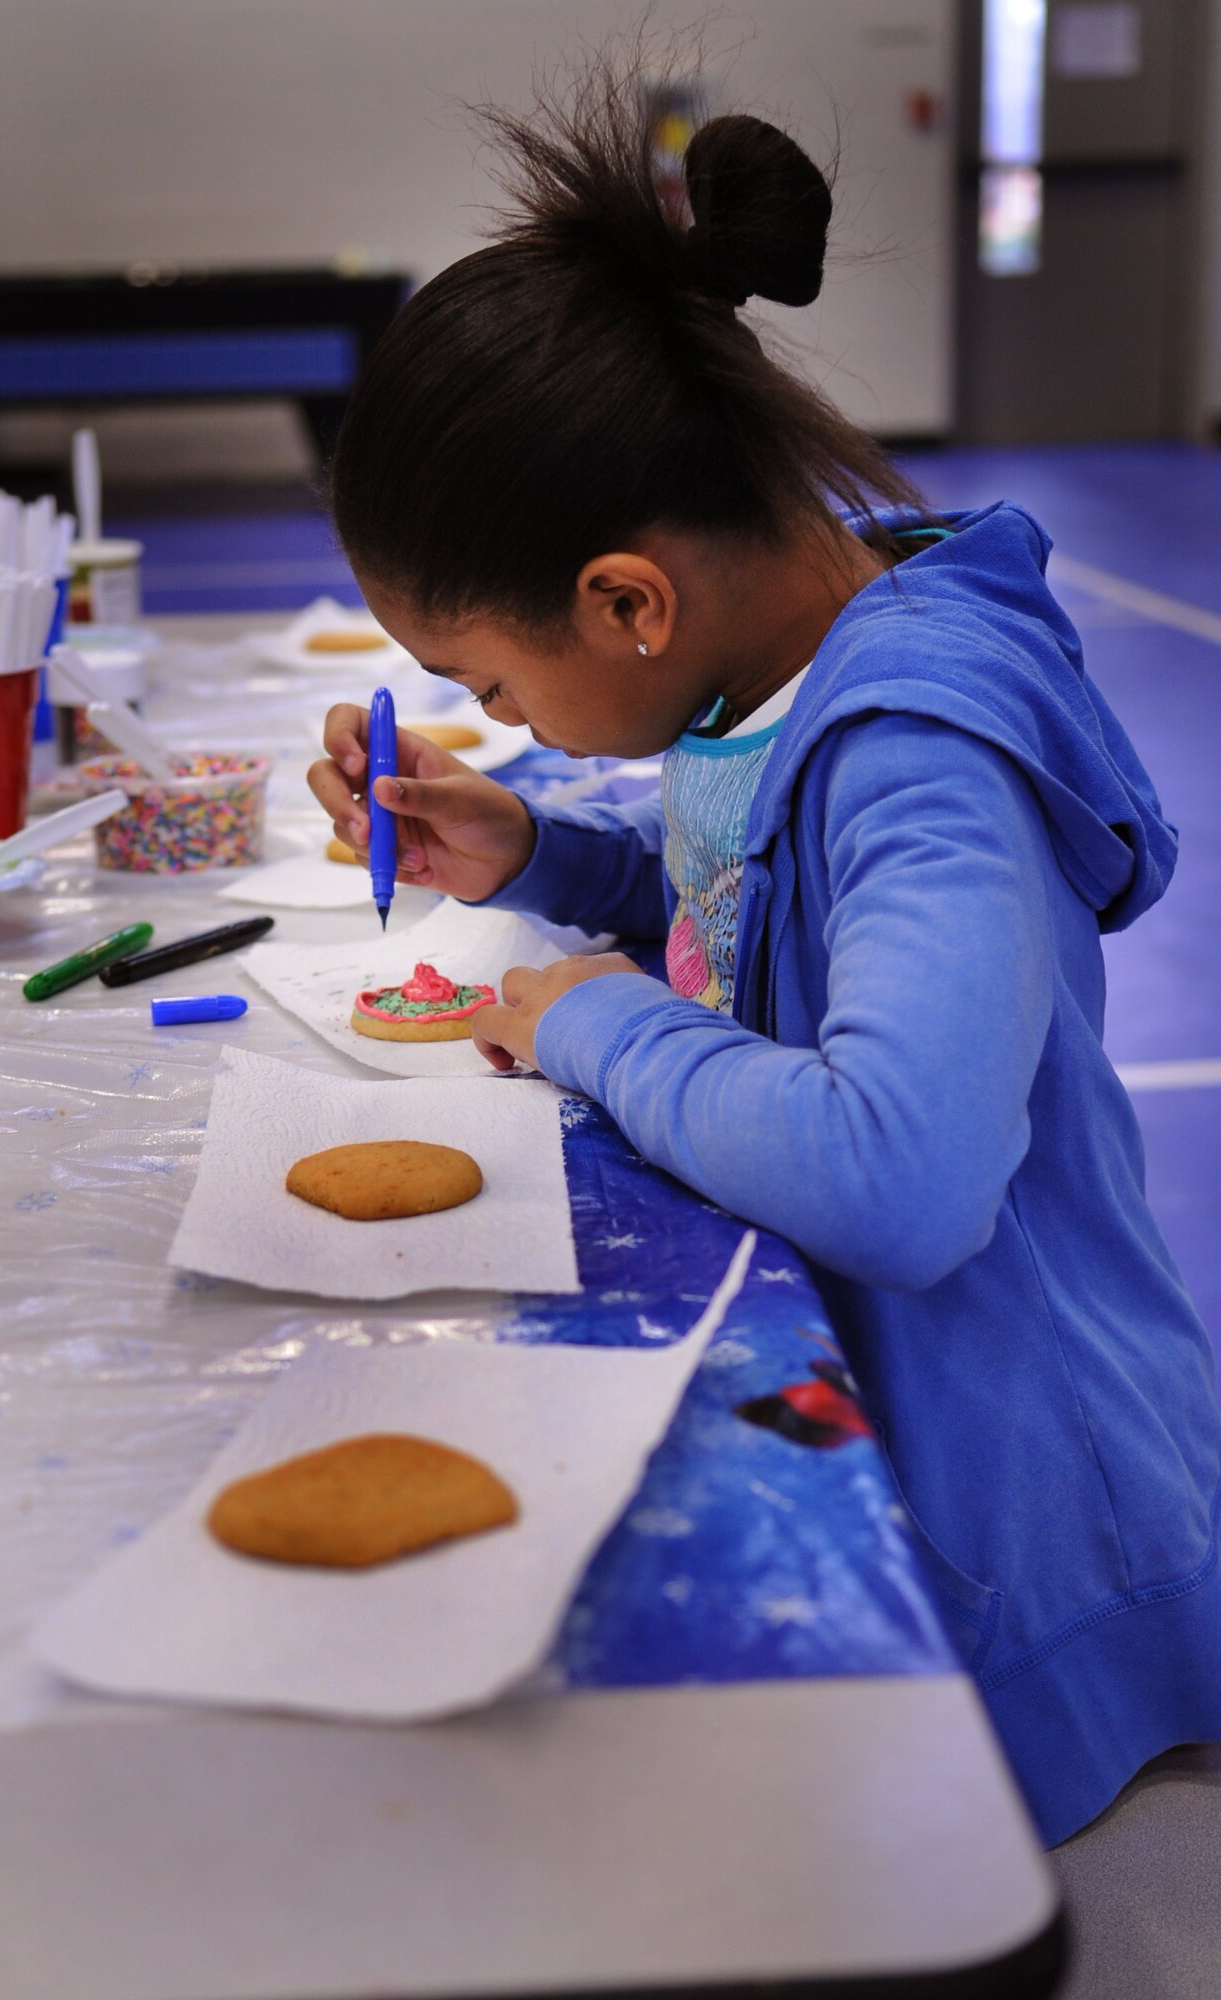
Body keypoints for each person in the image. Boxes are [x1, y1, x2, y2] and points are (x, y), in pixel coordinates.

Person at [308, 64, 1221, 1846]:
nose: (488, 718)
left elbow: (902, 1171)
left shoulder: (921, 757)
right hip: (898, 1445)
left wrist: (591, 1021)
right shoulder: (767, 676)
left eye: (494, 689)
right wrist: (551, 853)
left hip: (1034, 1539)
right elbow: (754, 918)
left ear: (628, 599)